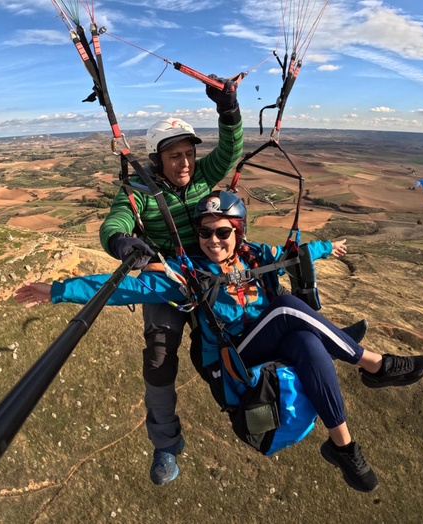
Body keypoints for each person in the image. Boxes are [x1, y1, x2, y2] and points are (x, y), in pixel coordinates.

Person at [16, 190, 423, 493]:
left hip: (269, 346)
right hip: (233, 361)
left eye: (222, 232)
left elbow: (293, 255)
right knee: (286, 306)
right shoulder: (187, 273)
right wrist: (54, 291)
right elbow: (127, 288)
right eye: (205, 232)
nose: (213, 240)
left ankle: (343, 447)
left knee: (306, 341)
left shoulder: (254, 256)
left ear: (239, 232)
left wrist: (327, 247)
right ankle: (374, 365)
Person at [96, 74, 244, 485]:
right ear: (157, 159)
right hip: (167, 279)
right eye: (175, 155)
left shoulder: (201, 178)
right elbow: (116, 221)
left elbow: (231, 150)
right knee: (159, 358)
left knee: (245, 324)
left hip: (208, 272)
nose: (184, 163)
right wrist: (124, 243)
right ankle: (165, 444)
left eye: (188, 154)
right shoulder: (140, 190)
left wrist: (228, 110)